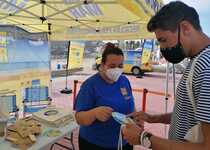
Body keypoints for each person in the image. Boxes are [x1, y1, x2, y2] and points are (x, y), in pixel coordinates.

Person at [122, 1, 210, 150]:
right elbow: (190, 116)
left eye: (163, 40)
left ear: (185, 27)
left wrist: (143, 138)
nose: (162, 48)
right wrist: (153, 118)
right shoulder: (197, 61)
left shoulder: (206, 66)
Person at [75, 43, 136, 150]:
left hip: (125, 141)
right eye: (112, 66)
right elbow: (79, 118)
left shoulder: (124, 81)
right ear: (102, 65)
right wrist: (94, 113)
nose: (117, 69)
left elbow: (130, 103)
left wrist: (135, 119)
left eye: (120, 66)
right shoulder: (90, 85)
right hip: (96, 144)